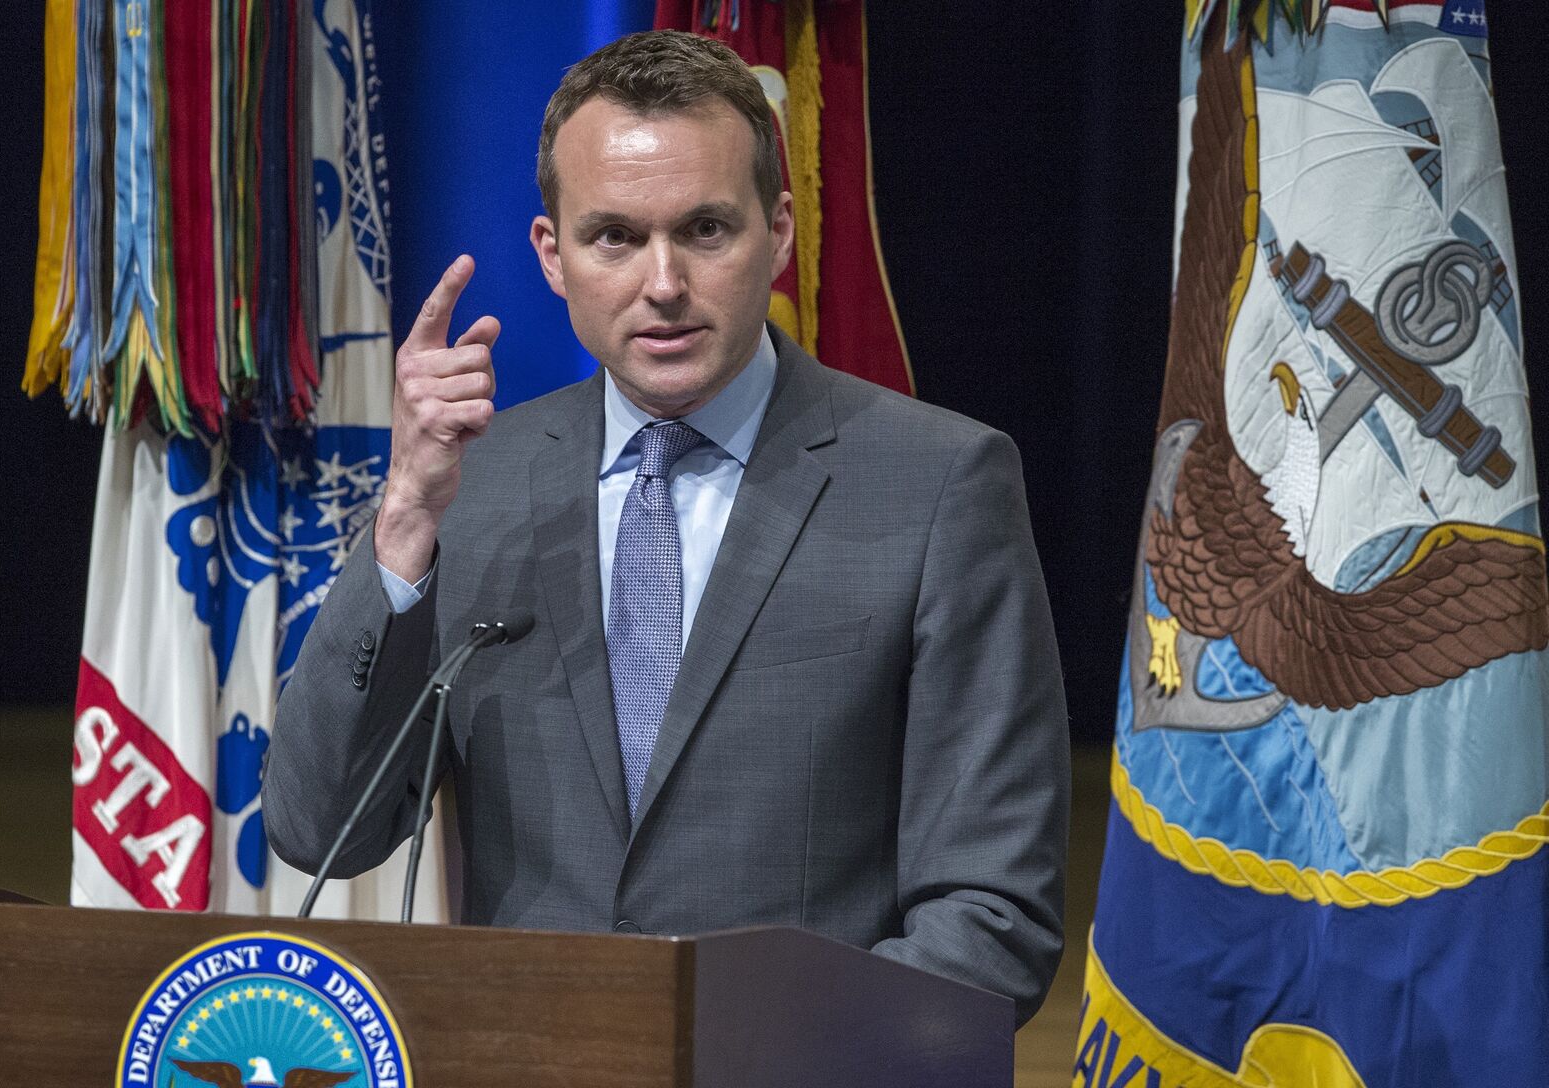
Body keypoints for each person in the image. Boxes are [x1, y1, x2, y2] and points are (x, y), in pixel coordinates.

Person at [265, 29, 1068, 1023]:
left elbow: (994, 915)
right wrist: (402, 522)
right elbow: (320, 829)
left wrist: (766, 1059)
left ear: (779, 232)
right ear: (552, 255)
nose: (663, 284)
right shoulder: (472, 485)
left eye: (705, 230)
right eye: (614, 236)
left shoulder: (938, 485)